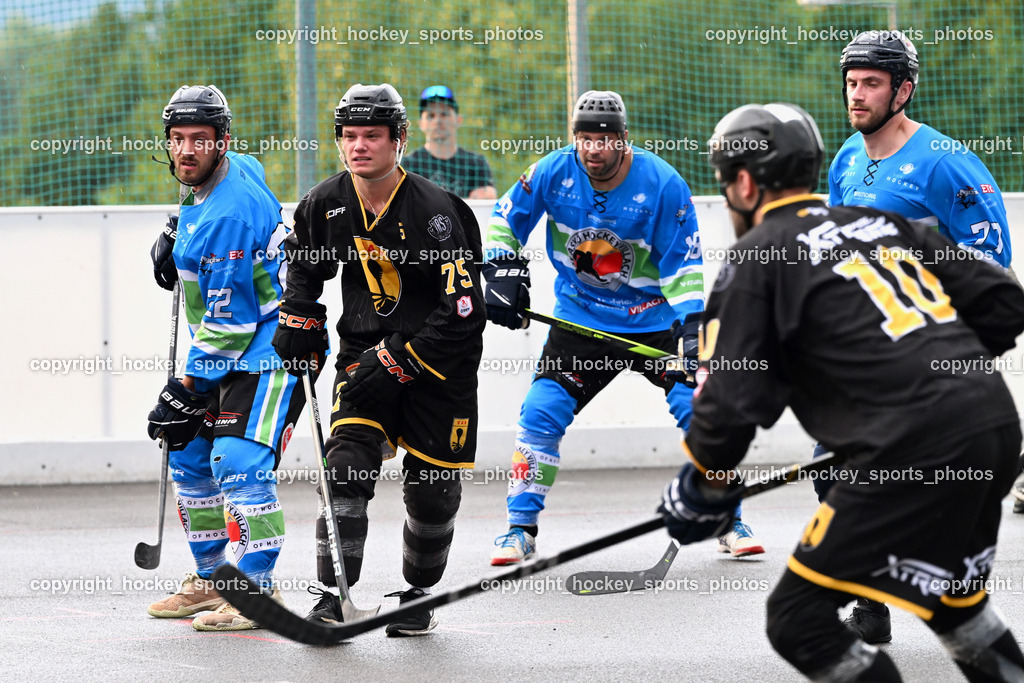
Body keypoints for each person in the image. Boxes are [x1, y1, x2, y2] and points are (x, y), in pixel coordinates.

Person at [660, 102, 1024, 682]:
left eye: (727, 184)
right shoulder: (881, 225)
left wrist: (697, 491)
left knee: (796, 617)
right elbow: (1005, 304)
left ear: (746, 183)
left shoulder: (757, 258)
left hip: (915, 448)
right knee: (955, 602)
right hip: (995, 427)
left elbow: (728, 408)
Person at [484, 90, 763, 566]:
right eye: (584, 138)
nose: (593, 149)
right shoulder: (552, 171)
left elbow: (684, 265)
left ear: (624, 139)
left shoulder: (662, 183)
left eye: (604, 139)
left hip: (655, 320)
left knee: (701, 413)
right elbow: (503, 221)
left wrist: (692, 324)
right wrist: (499, 268)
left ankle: (729, 518)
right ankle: (519, 529)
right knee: (539, 414)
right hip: (580, 321)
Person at [271, 83, 485, 637]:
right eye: (349, 136)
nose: (359, 146)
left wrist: (399, 359)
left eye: (372, 135)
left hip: (439, 365)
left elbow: (463, 314)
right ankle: (333, 596)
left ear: (398, 140)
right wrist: (298, 316)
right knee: (345, 469)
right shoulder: (326, 201)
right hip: (364, 357)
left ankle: (417, 596)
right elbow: (302, 262)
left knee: (431, 494)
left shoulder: (437, 212)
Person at [824, 30, 1015, 643]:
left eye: (871, 83)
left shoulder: (946, 162)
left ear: (903, 90)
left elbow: (992, 263)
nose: (857, 94)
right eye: (852, 82)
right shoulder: (847, 159)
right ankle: (874, 600)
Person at [145, 84, 301, 631]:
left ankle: (257, 589)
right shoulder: (233, 169)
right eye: (178, 140)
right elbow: (203, 206)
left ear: (222, 141)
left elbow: (231, 323)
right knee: (187, 455)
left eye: (201, 140)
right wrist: (174, 231)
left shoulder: (225, 219)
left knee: (236, 464)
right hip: (226, 346)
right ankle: (214, 580)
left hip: (266, 350)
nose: (187, 151)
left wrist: (184, 390)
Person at [402, 85, 497, 199]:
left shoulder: (476, 163)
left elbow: (487, 201)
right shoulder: (408, 165)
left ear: (458, 119)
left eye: (444, 114)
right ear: (421, 123)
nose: (437, 120)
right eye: (431, 115)